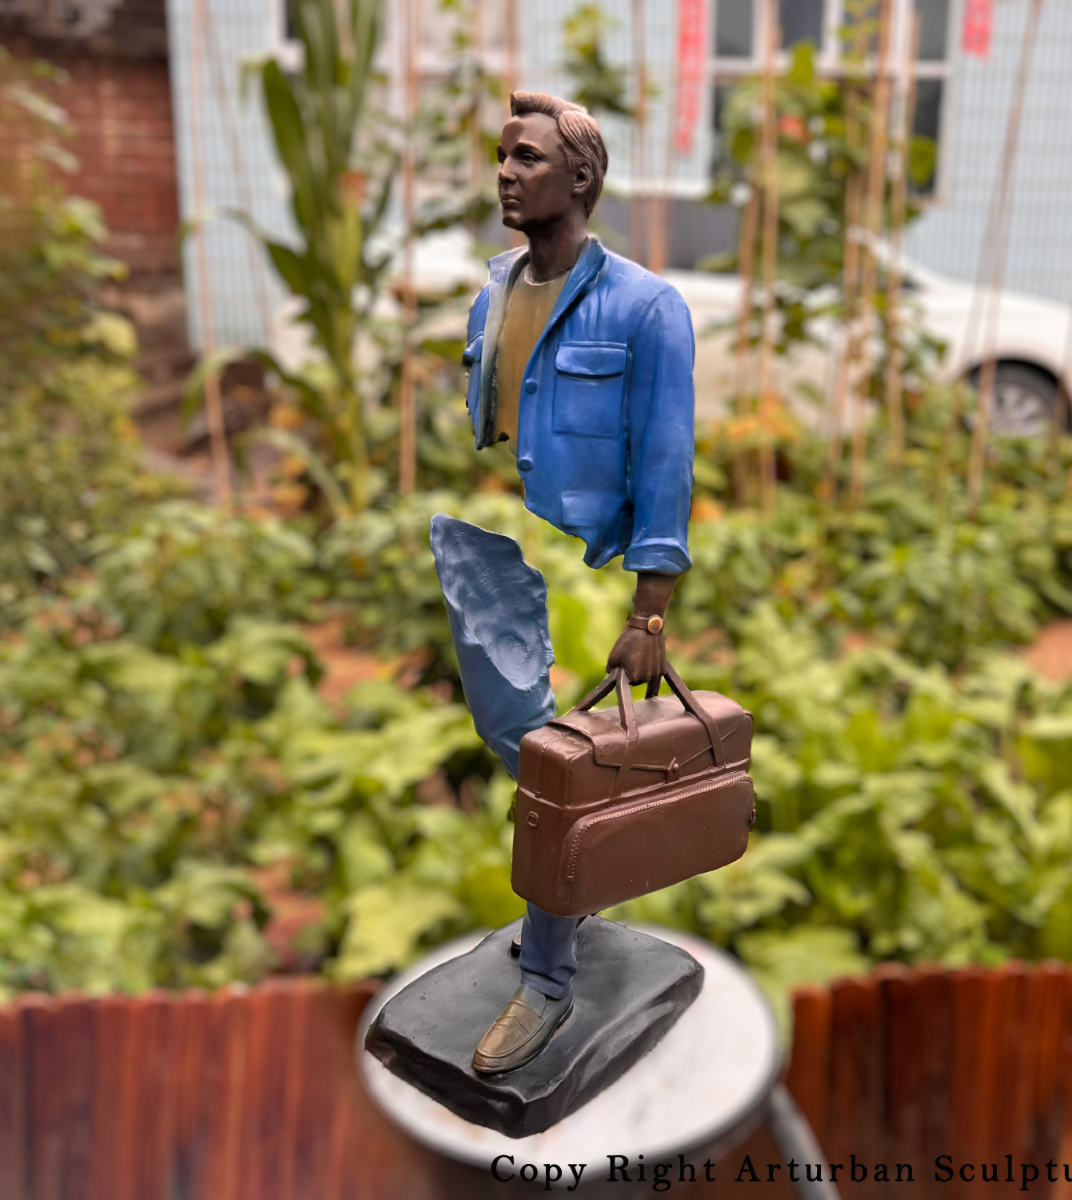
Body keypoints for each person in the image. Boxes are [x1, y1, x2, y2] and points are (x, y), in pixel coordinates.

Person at [431, 91, 696, 1076]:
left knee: (557, 775)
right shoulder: (492, 288)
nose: (505, 173)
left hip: (587, 562)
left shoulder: (646, 307)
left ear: (580, 178)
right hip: (494, 548)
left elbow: (666, 461)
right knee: (526, 756)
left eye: (527, 157)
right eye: (502, 156)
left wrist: (651, 610)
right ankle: (570, 904)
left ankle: (547, 977)